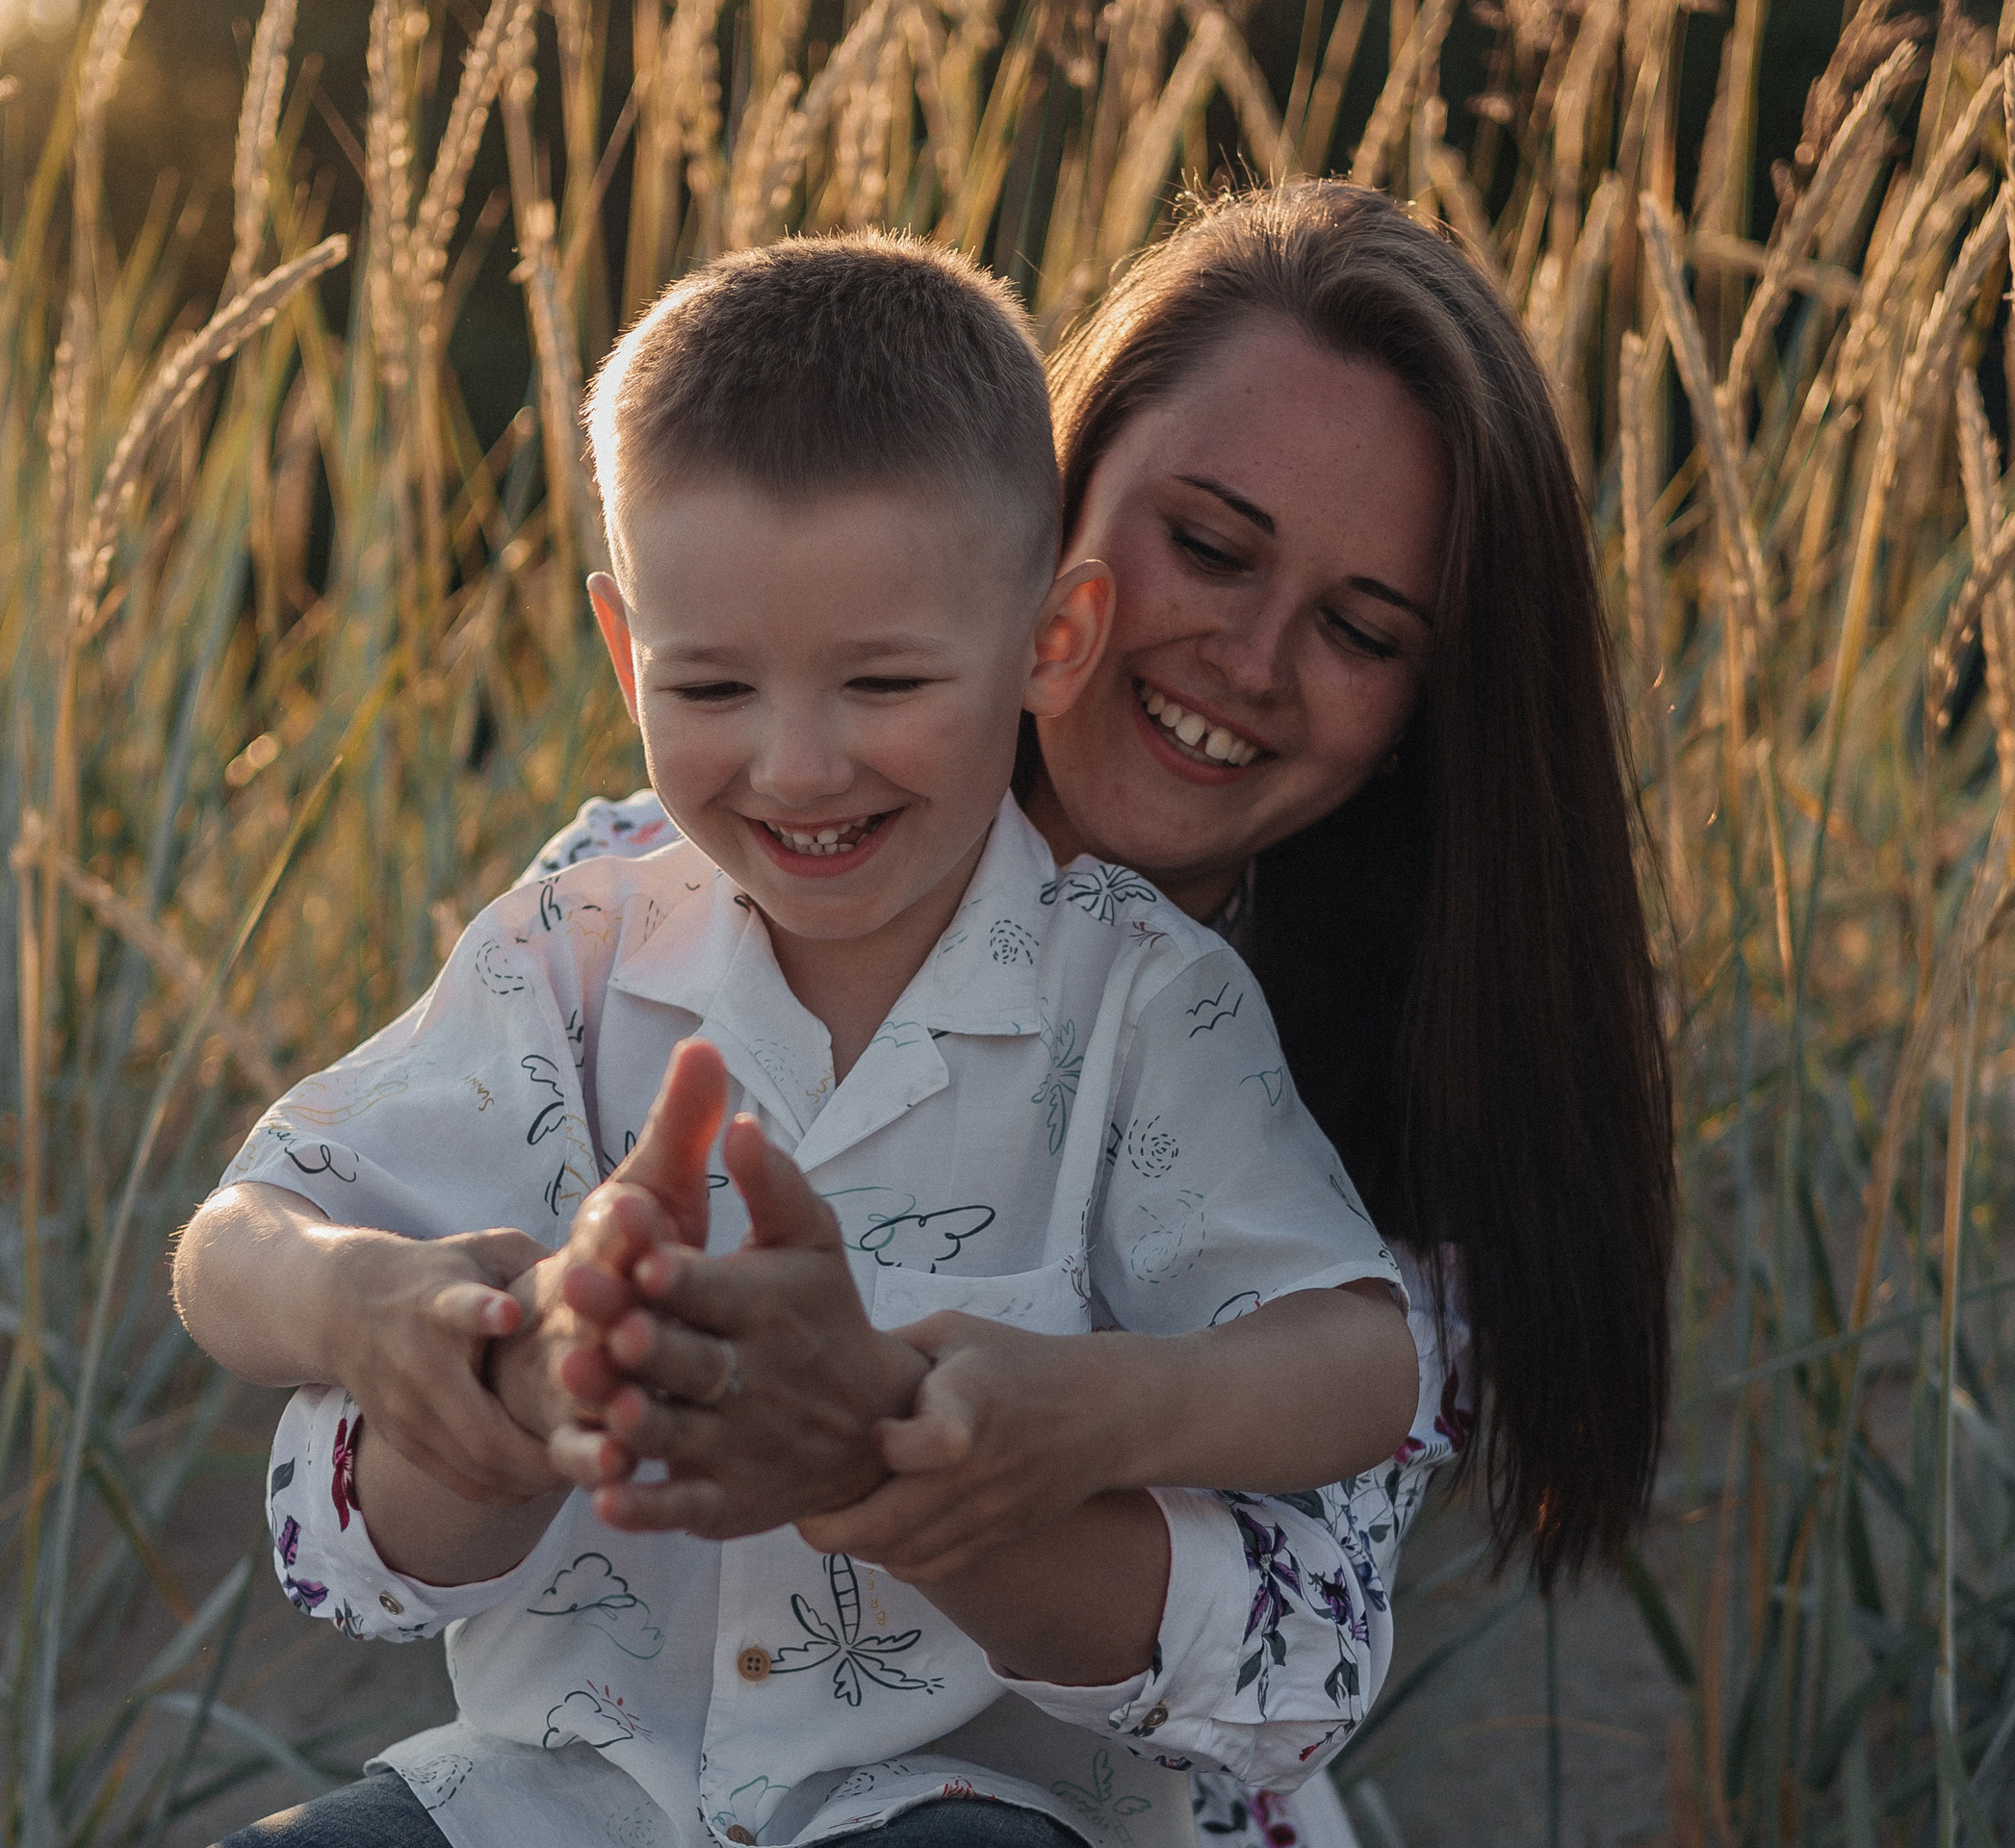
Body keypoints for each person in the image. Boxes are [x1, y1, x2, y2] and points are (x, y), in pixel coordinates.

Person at [176, 231, 1425, 1848]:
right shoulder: (573, 948)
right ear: (627, 656)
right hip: (564, 1793)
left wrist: (1077, 1410)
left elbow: (1359, 1360)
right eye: (711, 689)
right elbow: (233, 1245)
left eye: (884, 680)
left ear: (1053, 639)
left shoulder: (1139, 1002)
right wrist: (382, 1310)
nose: (800, 766)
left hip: (959, 1801)